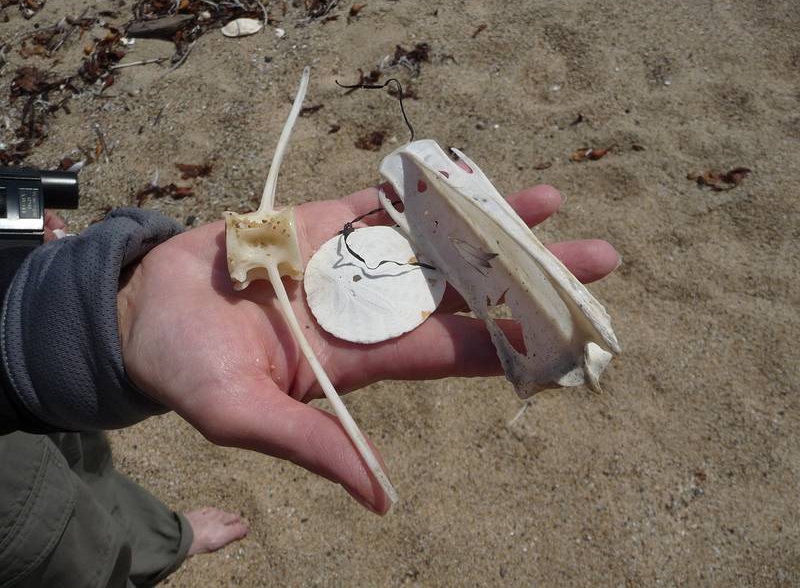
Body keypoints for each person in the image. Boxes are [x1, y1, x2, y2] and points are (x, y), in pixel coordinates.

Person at [0, 180, 619, 586]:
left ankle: (165, 538)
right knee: (58, 544)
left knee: (84, 466)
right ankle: (128, 563)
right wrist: (109, 323)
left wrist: (67, 280)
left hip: (37, 397)